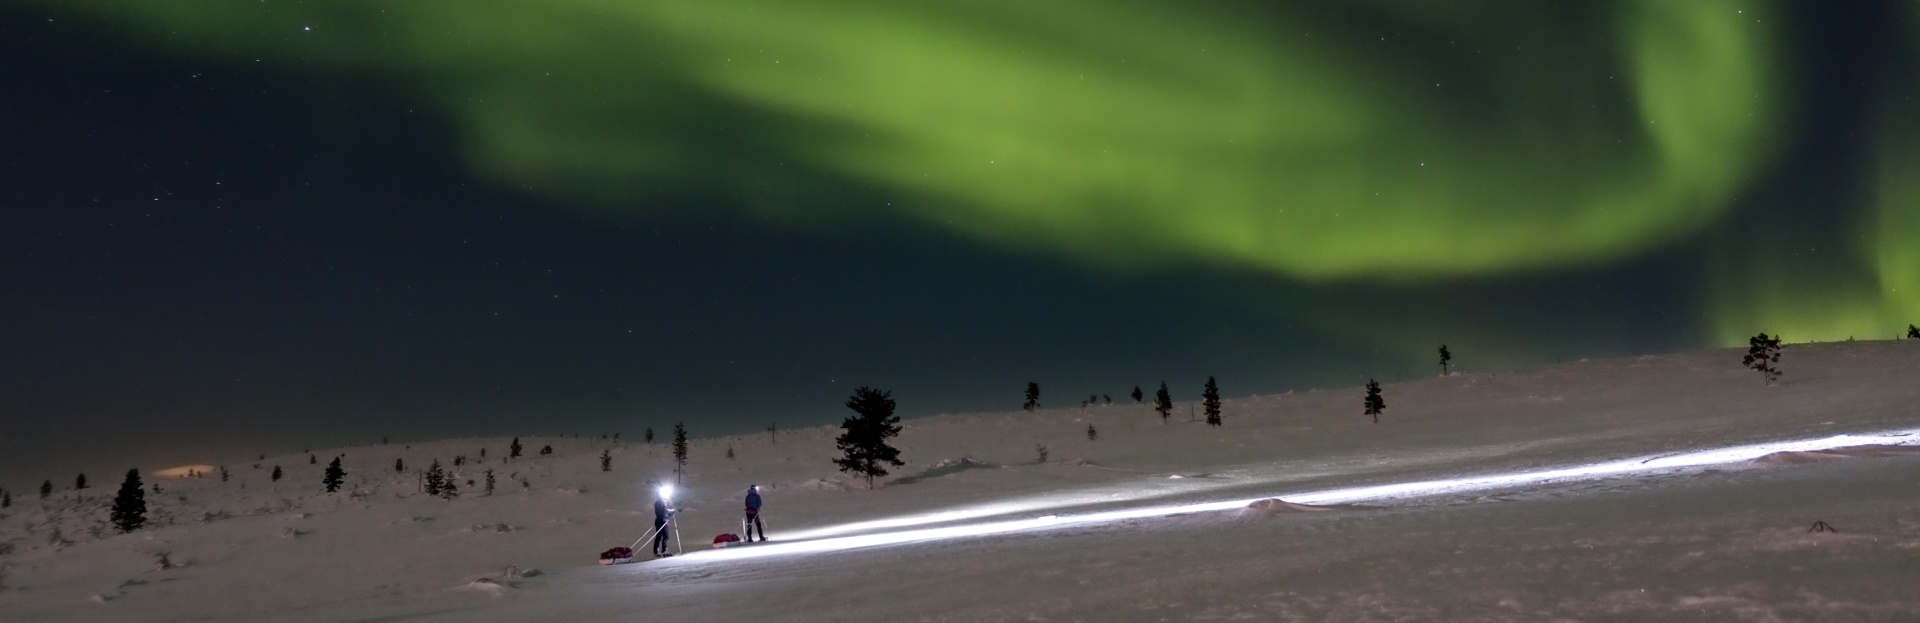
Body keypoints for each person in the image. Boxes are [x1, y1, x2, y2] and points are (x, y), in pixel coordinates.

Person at [652, 490, 674, 556]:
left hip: (660, 520)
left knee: (659, 536)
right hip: (662, 521)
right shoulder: (660, 502)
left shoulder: (659, 502)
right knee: (665, 536)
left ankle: (657, 551)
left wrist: (670, 512)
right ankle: (664, 551)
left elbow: (664, 511)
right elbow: (662, 512)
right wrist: (668, 514)